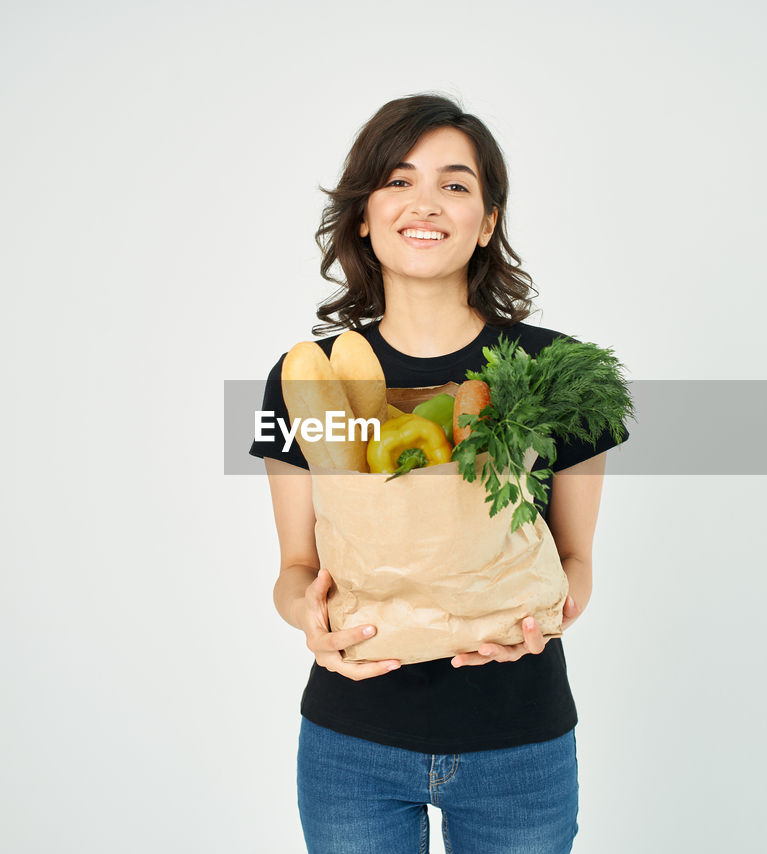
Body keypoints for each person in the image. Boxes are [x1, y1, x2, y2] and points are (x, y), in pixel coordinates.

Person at [249, 94, 625, 854]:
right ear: (362, 214)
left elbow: (577, 564)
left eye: (455, 185)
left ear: (488, 221)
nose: (426, 203)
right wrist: (309, 620)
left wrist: (542, 622)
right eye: (397, 180)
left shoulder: (559, 373)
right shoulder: (303, 379)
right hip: (352, 741)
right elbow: (295, 569)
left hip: (520, 741)